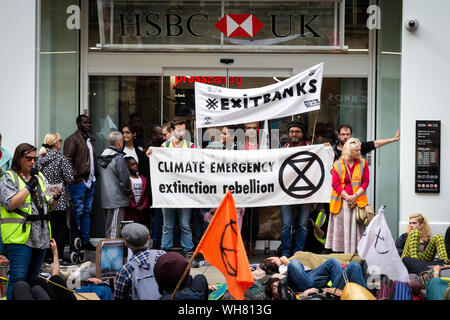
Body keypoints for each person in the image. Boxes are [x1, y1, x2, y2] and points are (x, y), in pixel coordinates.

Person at [0, 143, 60, 300]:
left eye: (35, 159)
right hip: (19, 236)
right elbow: (11, 204)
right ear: (19, 158)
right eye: (29, 159)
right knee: (18, 279)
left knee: (33, 279)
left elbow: (50, 206)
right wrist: (29, 186)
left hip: (40, 236)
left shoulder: (39, 177)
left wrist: (56, 197)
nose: (33, 162)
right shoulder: (9, 177)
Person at [146, 120, 195, 255]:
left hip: (184, 191)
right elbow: (156, 158)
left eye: (184, 130)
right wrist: (152, 153)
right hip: (168, 190)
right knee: (167, 225)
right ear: (172, 131)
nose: (181, 133)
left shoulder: (190, 146)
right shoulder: (164, 146)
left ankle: (188, 250)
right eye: (179, 130)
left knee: (185, 224)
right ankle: (165, 249)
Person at [35, 132, 74, 265]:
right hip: (59, 198)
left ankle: (46, 257)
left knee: (46, 227)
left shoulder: (39, 159)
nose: (61, 143)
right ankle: (59, 257)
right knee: (61, 228)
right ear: (56, 143)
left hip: (43, 198)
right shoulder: (61, 159)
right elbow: (70, 178)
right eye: (60, 140)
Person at [326, 138, 370, 254]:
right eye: (356, 150)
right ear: (349, 151)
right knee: (342, 231)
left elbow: (366, 181)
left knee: (356, 231)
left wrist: (355, 196)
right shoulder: (337, 165)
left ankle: (355, 255)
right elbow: (335, 184)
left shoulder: (363, 163)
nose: (359, 153)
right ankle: (342, 257)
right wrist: (348, 197)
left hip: (357, 201)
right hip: (341, 203)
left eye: (359, 150)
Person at [63, 114, 98, 251]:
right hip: (79, 182)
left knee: (87, 212)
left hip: (90, 180)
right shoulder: (72, 140)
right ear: (78, 124)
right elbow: (67, 160)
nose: (88, 125)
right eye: (85, 123)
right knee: (77, 212)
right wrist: (76, 177)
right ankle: (76, 243)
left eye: (89, 122)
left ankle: (85, 241)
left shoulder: (90, 140)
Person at [279, 122, 312, 257]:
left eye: (297, 131)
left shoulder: (311, 148)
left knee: (303, 225)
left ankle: (298, 253)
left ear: (302, 133)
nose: (294, 134)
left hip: (306, 192)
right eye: (292, 131)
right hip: (286, 192)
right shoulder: (282, 149)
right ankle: (285, 253)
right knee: (286, 224)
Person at [260, 255, 366, 294]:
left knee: (337, 262)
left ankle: (337, 291)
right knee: (294, 263)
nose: (275, 286)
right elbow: (281, 276)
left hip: (311, 274)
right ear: (272, 261)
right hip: (303, 283)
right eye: (273, 288)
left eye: (274, 285)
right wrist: (285, 261)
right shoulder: (280, 272)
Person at [114, 223, 166, 300]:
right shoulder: (162, 255)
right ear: (149, 238)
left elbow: (118, 297)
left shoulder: (125, 270)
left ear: (126, 244)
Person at [98, 131, 132, 238]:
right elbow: (124, 180)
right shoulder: (118, 158)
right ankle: (112, 254)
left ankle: (109, 252)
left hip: (106, 198)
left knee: (109, 228)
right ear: (119, 143)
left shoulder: (102, 156)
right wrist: (128, 193)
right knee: (115, 230)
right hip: (117, 198)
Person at [240, 122, 260, 256]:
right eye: (248, 128)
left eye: (254, 128)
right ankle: (242, 244)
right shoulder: (238, 145)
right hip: (241, 184)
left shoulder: (264, 143)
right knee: (242, 216)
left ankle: (252, 244)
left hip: (258, 184)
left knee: (254, 217)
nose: (251, 131)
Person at [332, 124, 400, 161]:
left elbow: (375, 143)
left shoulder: (358, 146)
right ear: (338, 135)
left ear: (351, 136)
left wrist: (393, 139)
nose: (345, 137)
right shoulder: (332, 149)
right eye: (343, 134)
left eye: (347, 134)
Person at [124, 157, 149, 225]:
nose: (135, 166)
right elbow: (126, 194)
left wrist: (143, 206)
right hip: (130, 212)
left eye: (136, 164)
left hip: (142, 212)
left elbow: (146, 194)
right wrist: (134, 206)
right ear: (127, 167)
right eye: (132, 164)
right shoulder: (126, 179)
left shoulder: (143, 178)